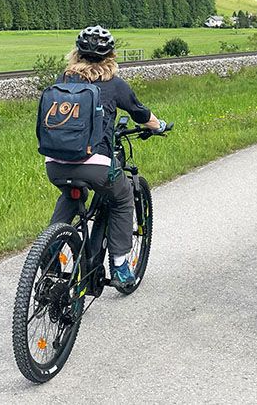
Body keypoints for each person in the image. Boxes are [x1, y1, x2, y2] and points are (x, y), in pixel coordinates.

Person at [44, 25, 167, 286]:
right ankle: (121, 265)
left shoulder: (62, 80)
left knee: (69, 193)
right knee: (122, 197)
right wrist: (160, 126)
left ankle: (50, 249)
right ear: (111, 56)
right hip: (95, 165)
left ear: (75, 54)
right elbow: (141, 114)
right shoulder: (114, 84)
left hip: (54, 164)